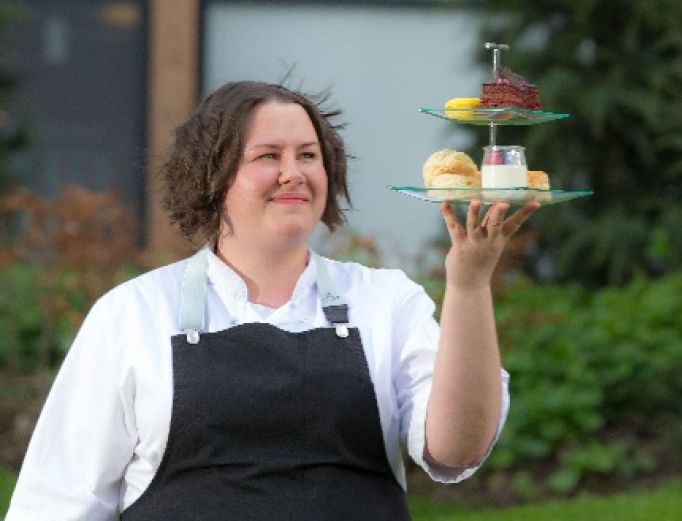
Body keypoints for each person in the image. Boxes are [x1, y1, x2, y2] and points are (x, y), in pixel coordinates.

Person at [6, 81, 540, 520]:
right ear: (211, 179)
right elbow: (56, 504)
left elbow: (456, 448)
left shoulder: (385, 301)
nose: (295, 172)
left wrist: (468, 285)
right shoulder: (134, 314)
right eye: (268, 155)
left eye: (308, 155)